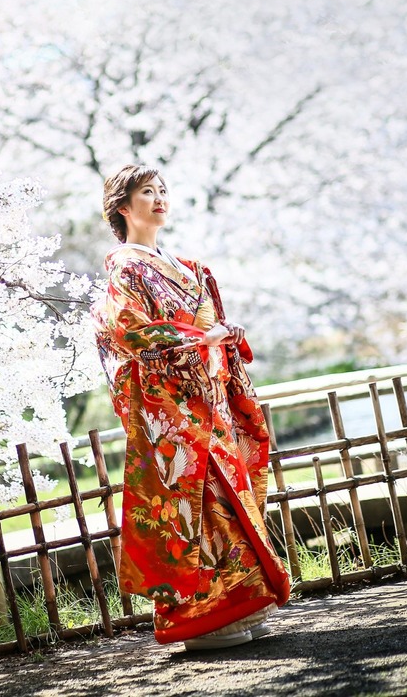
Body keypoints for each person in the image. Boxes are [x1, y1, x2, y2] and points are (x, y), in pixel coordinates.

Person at [92, 164, 290, 651]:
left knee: (230, 499)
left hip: (209, 399)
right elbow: (129, 332)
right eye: (146, 192)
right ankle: (203, 619)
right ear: (123, 207)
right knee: (195, 507)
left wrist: (225, 335)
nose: (159, 199)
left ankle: (246, 603)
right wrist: (202, 337)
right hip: (172, 414)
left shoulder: (191, 268)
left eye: (162, 190)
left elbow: (212, 325)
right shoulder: (125, 265)